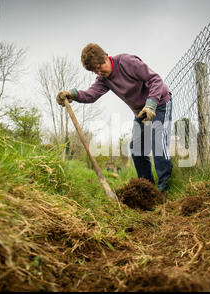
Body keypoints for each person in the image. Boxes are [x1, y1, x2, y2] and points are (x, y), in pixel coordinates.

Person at [56, 43, 173, 196]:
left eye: (100, 67)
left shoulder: (127, 62)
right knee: (136, 148)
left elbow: (155, 80)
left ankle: (166, 188)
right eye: (95, 71)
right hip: (140, 112)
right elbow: (91, 95)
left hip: (159, 102)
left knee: (158, 143)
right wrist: (73, 94)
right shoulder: (103, 79)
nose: (99, 72)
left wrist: (151, 104)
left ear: (106, 57)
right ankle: (148, 190)